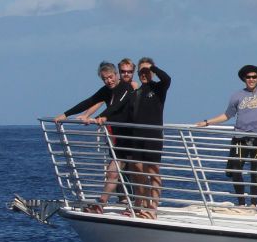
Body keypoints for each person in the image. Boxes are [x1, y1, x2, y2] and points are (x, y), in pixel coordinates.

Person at [195, 44, 257, 210]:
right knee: (236, 170)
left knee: (255, 172)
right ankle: (241, 203)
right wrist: (207, 122)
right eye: (248, 77)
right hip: (240, 138)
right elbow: (226, 115)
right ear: (244, 78)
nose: (251, 79)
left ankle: (253, 204)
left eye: (254, 77)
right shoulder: (236, 95)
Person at [55, 60, 136, 211]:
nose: (109, 81)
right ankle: (106, 204)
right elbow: (89, 101)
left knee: (128, 172)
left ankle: (130, 204)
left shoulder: (126, 87)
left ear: (116, 75)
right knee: (113, 173)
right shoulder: (106, 90)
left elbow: (116, 106)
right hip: (118, 139)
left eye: (111, 77)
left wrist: (99, 117)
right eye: (105, 79)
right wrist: (65, 114)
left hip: (131, 138)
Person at [122, 57, 171, 218]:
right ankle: (139, 204)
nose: (143, 74)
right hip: (136, 136)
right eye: (141, 72)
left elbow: (167, 78)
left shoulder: (159, 88)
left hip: (153, 137)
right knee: (137, 172)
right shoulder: (136, 92)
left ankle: (153, 208)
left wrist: (151, 68)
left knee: (153, 171)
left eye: (146, 71)